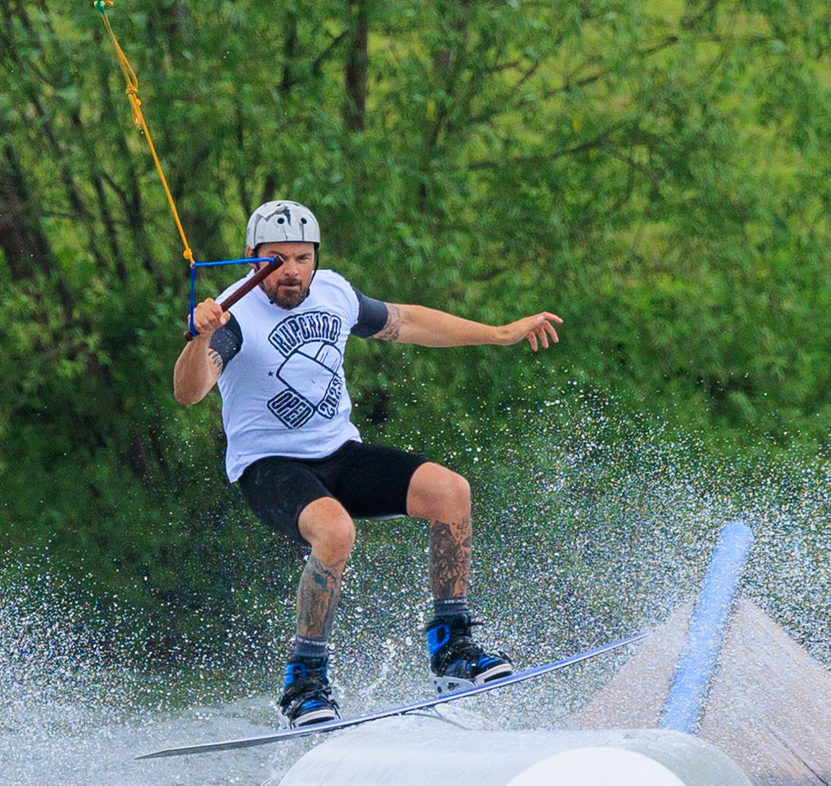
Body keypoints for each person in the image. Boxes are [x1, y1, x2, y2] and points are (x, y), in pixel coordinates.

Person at [171, 200, 563, 726]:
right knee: (335, 532)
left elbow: (408, 322)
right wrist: (200, 338)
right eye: (276, 259)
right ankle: (304, 678)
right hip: (270, 466)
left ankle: (452, 647)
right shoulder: (232, 316)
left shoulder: (333, 292)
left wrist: (498, 333)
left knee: (451, 492)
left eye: (302, 258)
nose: (291, 271)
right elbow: (189, 392)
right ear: (250, 259)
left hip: (340, 454)